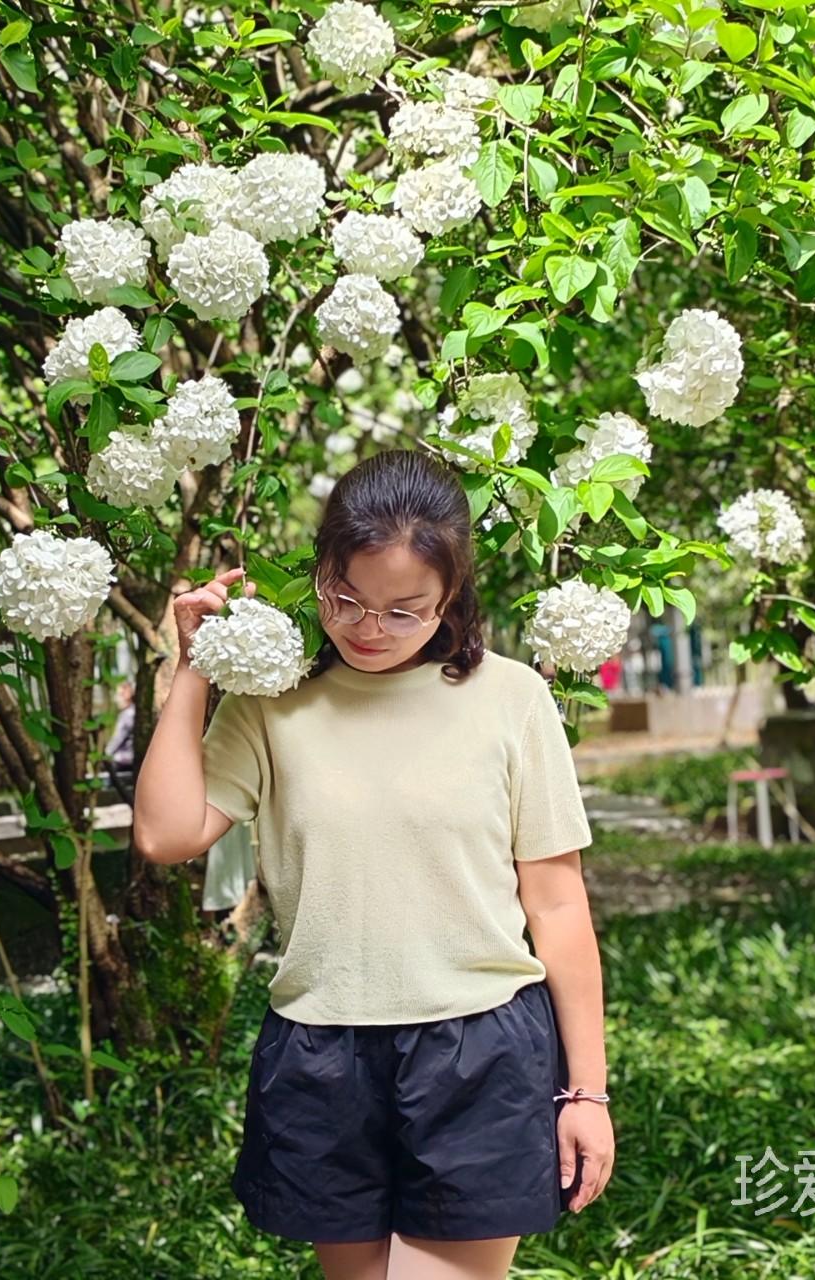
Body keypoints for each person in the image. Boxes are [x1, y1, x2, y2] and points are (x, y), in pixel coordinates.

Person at [132, 450, 614, 1280]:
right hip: (323, 1051)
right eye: (346, 598)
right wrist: (194, 668)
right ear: (321, 569)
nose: (366, 627)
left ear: (451, 598)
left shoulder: (511, 700)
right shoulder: (274, 702)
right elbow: (166, 834)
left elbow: (558, 903)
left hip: (478, 1050)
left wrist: (588, 1094)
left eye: (405, 610)